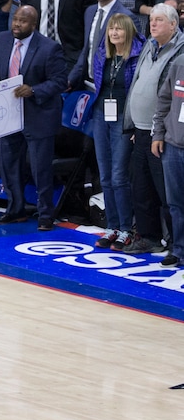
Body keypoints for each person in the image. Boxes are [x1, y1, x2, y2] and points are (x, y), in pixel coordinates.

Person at [0, 5, 67, 231]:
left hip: (38, 115)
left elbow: (59, 82)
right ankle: (14, 210)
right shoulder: (2, 39)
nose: (16, 24)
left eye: (22, 21)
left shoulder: (50, 48)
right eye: (15, 19)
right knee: (8, 165)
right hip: (8, 114)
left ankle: (46, 215)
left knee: (40, 169)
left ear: (33, 25)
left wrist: (34, 90)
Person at [123, 3, 184, 253]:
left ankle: (174, 243)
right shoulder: (149, 44)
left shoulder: (181, 51)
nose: (153, 24)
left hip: (163, 133)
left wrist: (160, 130)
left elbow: (170, 97)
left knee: (168, 194)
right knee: (141, 188)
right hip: (141, 129)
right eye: (151, 20)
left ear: (173, 24)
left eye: (159, 20)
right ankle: (149, 237)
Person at [84, 13, 145, 250]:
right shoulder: (103, 55)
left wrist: (135, 124)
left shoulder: (138, 56)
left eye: (118, 29)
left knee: (120, 176)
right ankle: (112, 227)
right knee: (105, 175)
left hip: (123, 119)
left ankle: (126, 229)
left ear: (128, 31)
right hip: (101, 115)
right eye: (111, 29)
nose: (114, 33)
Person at [151, 32, 184, 266]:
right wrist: (158, 134)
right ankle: (179, 249)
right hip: (173, 144)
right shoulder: (179, 63)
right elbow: (163, 101)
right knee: (175, 203)